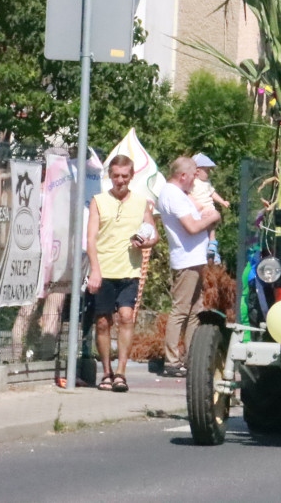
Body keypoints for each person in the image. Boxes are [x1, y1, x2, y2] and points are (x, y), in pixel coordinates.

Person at [85, 155, 158, 392]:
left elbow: (153, 234)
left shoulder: (141, 202)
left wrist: (145, 243)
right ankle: (106, 371)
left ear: (131, 176)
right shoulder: (98, 201)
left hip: (130, 270)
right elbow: (91, 238)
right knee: (103, 322)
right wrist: (95, 270)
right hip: (104, 270)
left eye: (124, 176)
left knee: (126, 316)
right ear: (110, 176)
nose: (120, 181)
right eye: (115, 176)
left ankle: (121, 372)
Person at [157, 156, 221, 377]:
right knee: (181, 310)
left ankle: (192, 357)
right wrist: (214, 216)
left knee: (195, 310)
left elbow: (194, 218)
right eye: (194, 173)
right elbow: (192, 227)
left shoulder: (179, 195)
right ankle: (172, 360)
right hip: (186, 260)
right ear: (183, 176)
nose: (196, 177)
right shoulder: (172, 195)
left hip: (194, 259)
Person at [190, 153, 230, 264]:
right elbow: (188, 196)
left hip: (209, 209)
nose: (209, 173)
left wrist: (222, 201)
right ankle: (210, 247)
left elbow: (212, 193)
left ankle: (213, 247)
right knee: (205, 230)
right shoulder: (193, 183)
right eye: (207, 170)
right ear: (197, 171)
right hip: (200, 211)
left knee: (212, 226)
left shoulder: (207, 183)